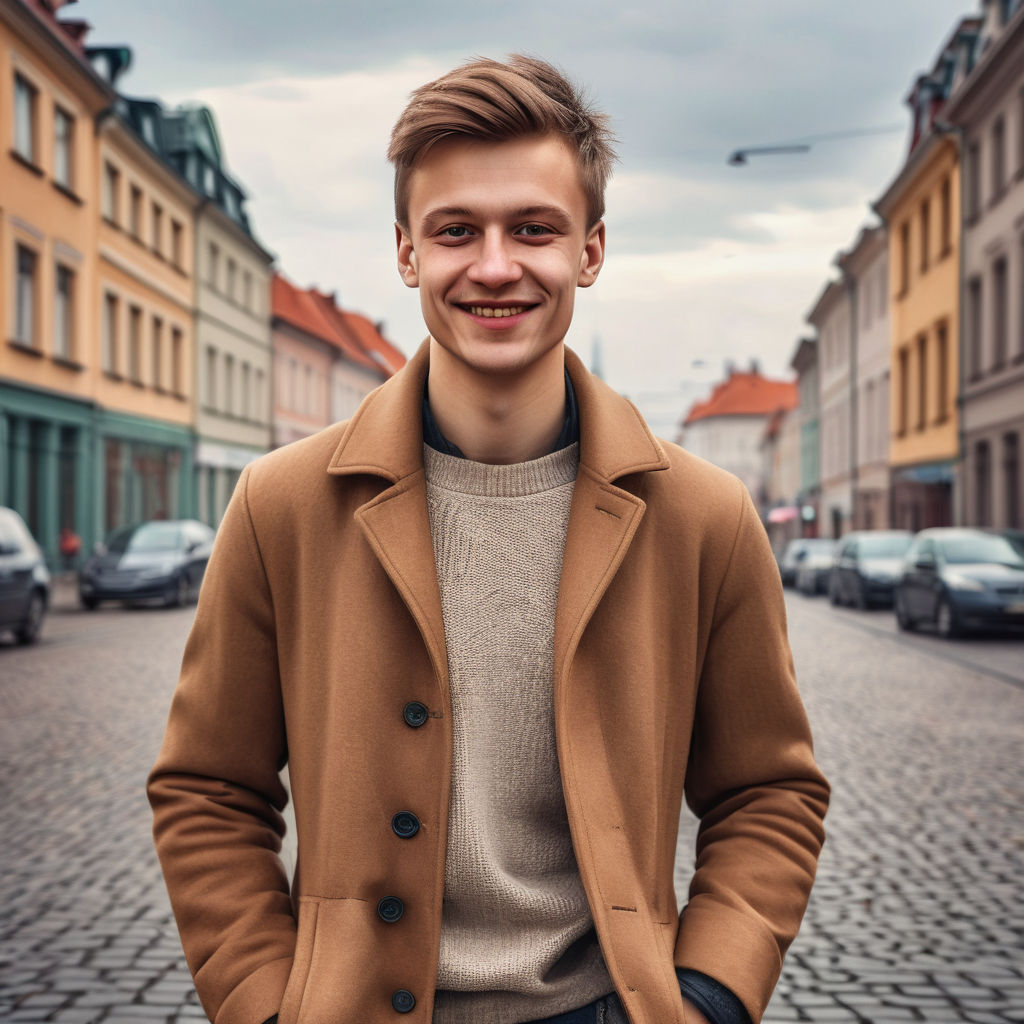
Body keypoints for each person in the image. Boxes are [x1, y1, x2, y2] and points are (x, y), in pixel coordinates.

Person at [148, 55, 829, 1024]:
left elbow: (769, 791)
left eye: (534, 229)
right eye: (456, 229)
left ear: (589, 251)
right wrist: (263, 1000)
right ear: (405, 252)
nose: (496, 264)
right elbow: (208, 787)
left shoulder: (703, 518)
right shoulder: (281, 505)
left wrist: (710, 993)